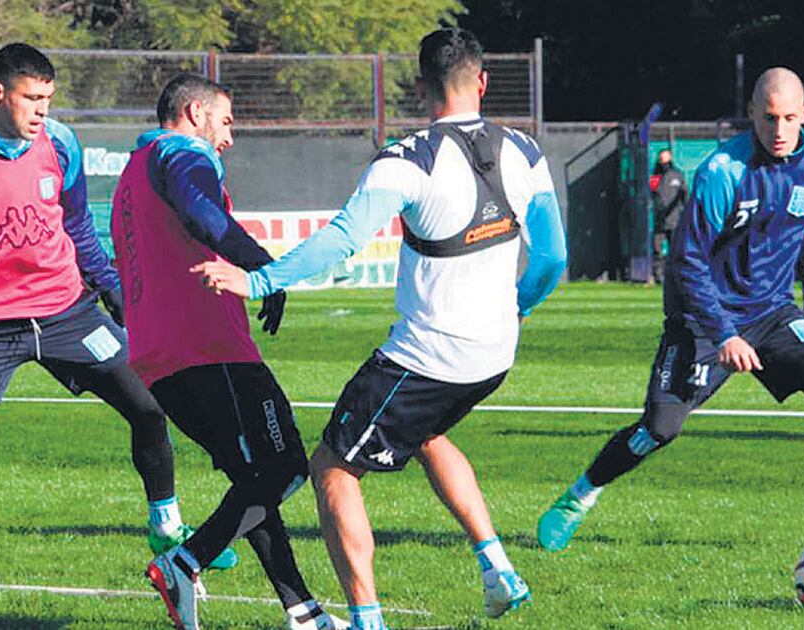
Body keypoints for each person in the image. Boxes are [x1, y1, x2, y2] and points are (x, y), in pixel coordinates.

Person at [194, 28, 567, 630]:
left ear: (421, 88)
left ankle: (367, 621)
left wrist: (258, 281)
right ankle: (498, 569)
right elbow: (552, 257)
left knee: (332, 468)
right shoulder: (525, 150)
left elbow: (343, 239)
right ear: (482, 81)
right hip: (494, 357)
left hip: (428, 357)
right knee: (426, 434)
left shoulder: (406, 159)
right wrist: (517, 308)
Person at [0, 43, 239, 603]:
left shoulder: (61, 143)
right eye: (31, 98)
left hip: (66, 313)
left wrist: (119, 296)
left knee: (150, 405)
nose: (42, 110)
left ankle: (166, 526)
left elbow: (77, 230)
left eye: (48, 98)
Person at [537, 67, 804, 553]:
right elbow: (688, 262)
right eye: (768, 118)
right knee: (659, 429)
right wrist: (724, 334)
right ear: (752, 114)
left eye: (788, 118)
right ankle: (579, 496)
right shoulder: (723, 171)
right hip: (702, 318)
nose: (778, 130)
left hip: (775, 314)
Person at [111, 73, 347, 630]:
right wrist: (265, 269)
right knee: (286, 467)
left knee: (253, 481)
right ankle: (184, 562)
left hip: (158, 356)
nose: (229, 138)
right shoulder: (183, 154)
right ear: (195, 114)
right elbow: (203, 213)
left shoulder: (132, 170)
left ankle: (303, 612)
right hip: (208, 347)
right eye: (226, 121)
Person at [649, 149, 687, 283]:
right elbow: (651, 195)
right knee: (657, 248)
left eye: (665, 158)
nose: (662, 161)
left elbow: (685, 196)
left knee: (675, 249)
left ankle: (676, 276)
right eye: (661, 158)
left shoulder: (678, 175)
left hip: (675, 219)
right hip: (659, 220)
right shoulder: (655, 177)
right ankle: (658, 276)